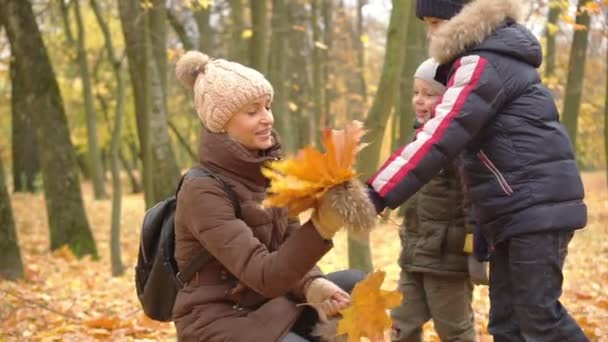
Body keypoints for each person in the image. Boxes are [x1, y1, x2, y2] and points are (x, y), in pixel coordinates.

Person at [366, 0, 589, 341]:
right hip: (512, 213)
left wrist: (375, 193)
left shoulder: (483, 63)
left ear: (465, 18)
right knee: (506, 324)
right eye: (426, 22)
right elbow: (479, 163)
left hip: (535, 208)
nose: (431, 32)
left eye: (438, 21)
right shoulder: (484, 61)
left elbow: (439, 137)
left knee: (539, 319)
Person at [172, 51, 367, 342]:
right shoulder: (202, 189)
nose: (267, 119)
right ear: (221, 123)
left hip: (269, 304)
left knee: (355, 285)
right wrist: (322, 225)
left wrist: (314, 286)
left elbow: (288, 244)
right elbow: (265, 275)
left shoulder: (269, 171)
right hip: (217, 317)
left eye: (267, 107)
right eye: (252, 112)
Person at [390, 58, 487, 342]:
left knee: (454, 330)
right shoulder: (417, 141)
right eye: (416, 92)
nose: (419, 101)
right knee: (401, 325)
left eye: (430, 94)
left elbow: (474, 202)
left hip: (448, 257)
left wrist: (476, 252)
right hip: (414, 254)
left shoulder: (459, 146)